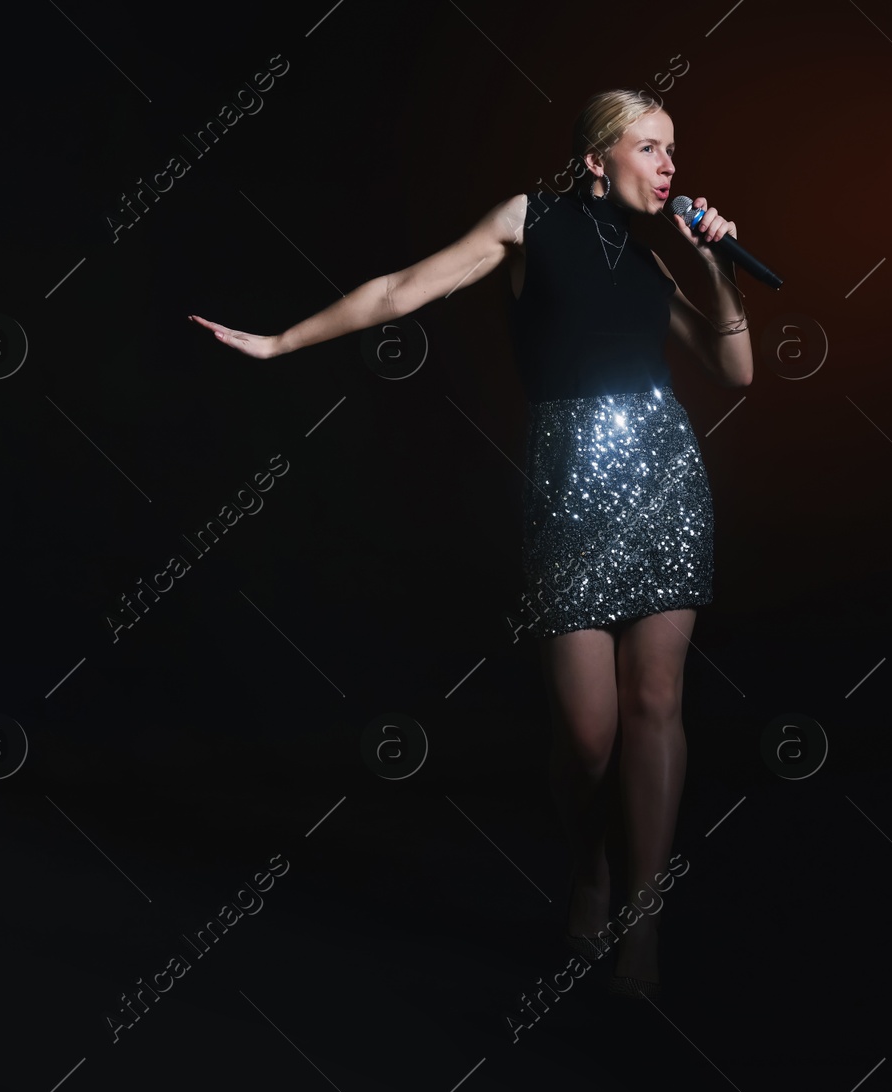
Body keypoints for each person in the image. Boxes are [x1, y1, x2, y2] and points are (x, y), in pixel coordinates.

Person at [189, 88, 752, 998]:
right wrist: (279, 343)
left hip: (665, 483)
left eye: (673, 151)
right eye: (650, 148)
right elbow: (400, 288)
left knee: (657, 703)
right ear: (595, 159)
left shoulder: (657, 261)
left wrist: (715, 264)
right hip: (571, 487)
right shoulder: (530, 223)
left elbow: (735, 368)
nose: (669, 166)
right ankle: (591, 869)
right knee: (589, 736)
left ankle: (644, 930)